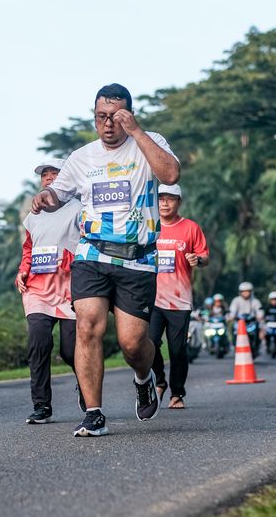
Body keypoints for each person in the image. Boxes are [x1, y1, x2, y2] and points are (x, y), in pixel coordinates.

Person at [32, 83, 180, 436]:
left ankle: (144, 377)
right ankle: (94, 413)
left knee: (132, 343)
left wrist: (137, 132)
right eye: (101, 117)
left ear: (129, 115)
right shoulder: (82, 157)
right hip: (92, 253)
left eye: (116, 116)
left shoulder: (149, 142)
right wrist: (46, 196)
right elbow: (58, 193)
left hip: (137, 259)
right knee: (87, 327)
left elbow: (171, 175)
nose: (108, 124)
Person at [15, 158, 82, 424]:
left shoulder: (79, 209)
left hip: (71, 289)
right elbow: (29, 249)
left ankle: (86, 385)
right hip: (38, 290)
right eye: (45, 175)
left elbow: (90, 243)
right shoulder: (33, 216)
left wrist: (70, 259)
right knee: (38, 344)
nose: (49, 178)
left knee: (70, 351)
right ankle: (41, 406)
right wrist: (23, 270)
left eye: (55, 173)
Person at [149, 184, 209, 409]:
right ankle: (160, 381)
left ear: (179, 202)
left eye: (170, 199)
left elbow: (204, 256)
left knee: (177, 350)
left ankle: (177, 394)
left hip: (179, 300)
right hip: (151, 299)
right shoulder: (148, 226)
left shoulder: (190, 228)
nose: (165, 203)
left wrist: (198, 260)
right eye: (161, 198)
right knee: (149, 343)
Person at [228, 281, 264, 347]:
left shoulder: (255, 301)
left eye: (247, 291)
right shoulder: (236, 300)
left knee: (259, 327)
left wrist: (259, 316)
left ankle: (257, 344)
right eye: (244, 291)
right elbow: (232, 311)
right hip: (239, 322)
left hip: (251, 322)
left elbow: (259, 311)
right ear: (240, 292)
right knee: (233, 328)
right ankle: (234, 344)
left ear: (251, 292)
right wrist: (231, 316)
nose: (246, 293)